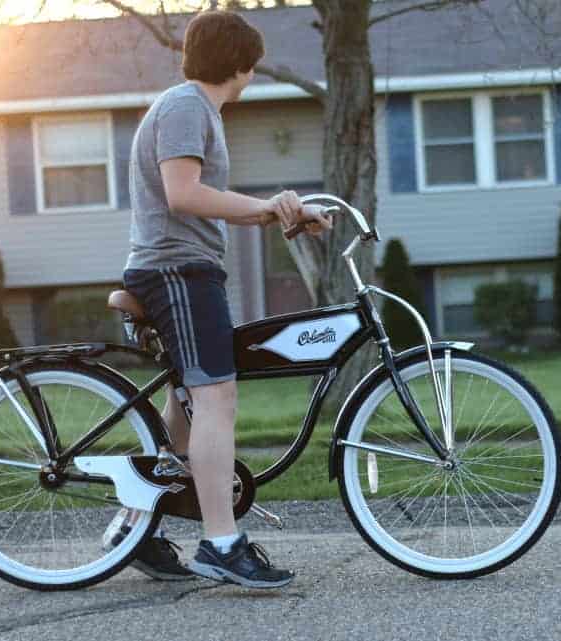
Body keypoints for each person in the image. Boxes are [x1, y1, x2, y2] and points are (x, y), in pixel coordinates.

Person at [106, 10, 331, 589]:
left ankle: (137, 528)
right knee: (217, 399)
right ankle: (221, 543)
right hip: (175, 270)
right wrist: (267, 207)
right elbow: (184, 195)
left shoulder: (194, 108)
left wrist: (278, 214)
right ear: (241, 63)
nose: (253, 73)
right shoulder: (186, 106)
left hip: (187, 268)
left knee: (187, 404)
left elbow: (202, 198)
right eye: (252, 63)